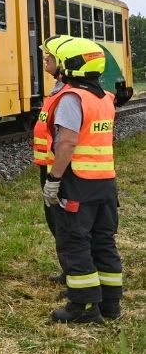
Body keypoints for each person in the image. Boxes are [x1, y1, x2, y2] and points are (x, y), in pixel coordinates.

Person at [44, 37, 122, 323]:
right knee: (103, 242)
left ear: (69, 65)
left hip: (78, 183)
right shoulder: (104, 99)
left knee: (75, 242)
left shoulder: (72, 99)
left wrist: (54, 178)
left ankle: (83, 306)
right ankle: (111, 305)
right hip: (105, 183)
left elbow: (67, 143)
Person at [33, 35, 71, 285]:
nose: (45, 57)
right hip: (51, 166)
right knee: (57, 221)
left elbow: (66, 141)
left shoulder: (67, 95)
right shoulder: (58, 91)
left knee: (66, 224)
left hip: (63, 171)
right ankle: (70, 270)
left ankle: (77, 279)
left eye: (51, 55)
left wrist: (55, 178)